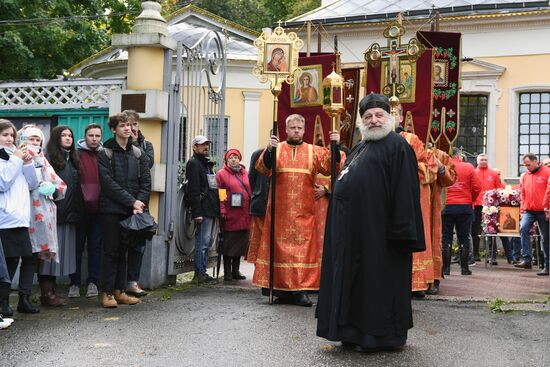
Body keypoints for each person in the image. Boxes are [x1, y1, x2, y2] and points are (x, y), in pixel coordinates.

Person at [316, 93, 425, 352]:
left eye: (379, 115)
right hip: (354, 234)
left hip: (381, 237)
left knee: (375, 285)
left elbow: (405, 192)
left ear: (390, 118)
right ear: (361, 122)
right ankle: (352, 332)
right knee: (355, 284)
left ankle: (379, 337)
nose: (374, 120)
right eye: (368, 116)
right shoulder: (360, 147)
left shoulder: (398, 147)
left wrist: (401, 232)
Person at [254, 113, 340, 307]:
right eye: (293, 128)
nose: (296, 131)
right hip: (280, 213)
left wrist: (334, 145)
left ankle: (300, 291)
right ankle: (280, 291)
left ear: (304, 130)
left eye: (299, 128)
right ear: (286, 129)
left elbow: (331, 167)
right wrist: (269, 149)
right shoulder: (277, 149)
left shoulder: (313, 151)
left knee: (303, 250)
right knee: (280, 251)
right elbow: (262, 168)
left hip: (304, 212)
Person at [98, 113, 151, 307]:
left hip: (132, 211)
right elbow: (107, 184)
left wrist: (140, 203)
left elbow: (146, 182)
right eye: (122, 126)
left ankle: (120, 291)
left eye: (129, 125)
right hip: (111, 210)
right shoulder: (104, 153)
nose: (127, 129)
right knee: (111, 252)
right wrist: (132, 202)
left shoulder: (138, 154)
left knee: (124, 252)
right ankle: (107, 293)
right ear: (113, 129)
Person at [18, 125, 67, 307]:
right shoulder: (16, 159)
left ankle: (27, 297)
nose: (34, 143)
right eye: (31, 139)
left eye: (37, 140)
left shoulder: (43, 161)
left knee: (34, 258)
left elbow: (60, 185)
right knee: (19, 256)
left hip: (43, 217)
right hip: (22, 214)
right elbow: (28, 184)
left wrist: (52, 188)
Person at [395, 105, 439, 298]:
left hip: (411, 194)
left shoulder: (411, 139)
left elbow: (428, 167)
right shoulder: (374, 139)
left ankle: (416, 283)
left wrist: (405, 169)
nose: (391, 116)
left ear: (401, 117)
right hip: (387, 195)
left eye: (394, 113)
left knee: (412, 232)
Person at [0, 119, 40, 316]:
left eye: (11, 135)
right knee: (7, 263)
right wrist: (16, 159)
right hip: (5, 219)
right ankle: (3, 303)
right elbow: (3, 182)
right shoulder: (6, 157)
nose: (9, 139)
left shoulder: (14, 155)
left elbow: (32, 184)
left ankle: (19, 300)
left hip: (21, 218)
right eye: (5, 135)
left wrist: (27, 163)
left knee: (24, 258)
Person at [41, 126, 84, 305]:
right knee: (48, 257)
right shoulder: (48, 158)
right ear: (56, 138)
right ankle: (47, 293)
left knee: (60, 256)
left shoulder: (74, 158)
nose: (68, 138)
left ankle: (52, 292)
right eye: (64, 135)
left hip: (69, 215)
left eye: (70, 135)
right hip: (53, 216)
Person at [69, 123, 103, 299]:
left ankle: (93, 282)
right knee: (77, 247)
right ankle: (74, 283)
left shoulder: (105, 154)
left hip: (100, 209)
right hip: (79, 208)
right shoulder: (75, 154)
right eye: (91, 135)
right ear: (85, 136)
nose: (94, 139)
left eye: (97, 136)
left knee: (95, 247)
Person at [124, 110, 154, 297]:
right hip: (121, 201)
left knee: (138, 245)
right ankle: (117, 283)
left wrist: (135, 144)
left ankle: (132, 281)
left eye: (134, 124)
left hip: (141, 201)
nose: (131, 128)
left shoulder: (146, 144)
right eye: (128, 125)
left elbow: (148, 164)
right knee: (118, 245)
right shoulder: (113, 146)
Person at [185, 135, 220, 284]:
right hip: (203, 209)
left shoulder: (206, 164)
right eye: (202, 145)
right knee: (202, 242)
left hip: (210, 208)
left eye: (207, 144)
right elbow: (193, 190)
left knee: (207, 242)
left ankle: (202, 272)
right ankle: (199, 274)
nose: (205, 147)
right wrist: (197, 212)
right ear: (194, 147)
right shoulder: (194, 163)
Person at [441, 147, 481, 275]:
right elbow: (477, 187)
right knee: (463, 237)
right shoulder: (468, 167)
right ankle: (464, 268)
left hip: (446, 206)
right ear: (459, 155)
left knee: (446, 237)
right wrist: (471, 199)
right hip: (464, 206)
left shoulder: (443, 166)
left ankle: (446, 269)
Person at [216, 149, 251, 281]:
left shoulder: (245, 173)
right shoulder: (221, 174)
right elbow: (221, 193)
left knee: (241, 243)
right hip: (230, 214)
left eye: (236, 157)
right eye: (231, 157)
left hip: (244, 213)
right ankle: (228, 272)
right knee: (229, 243)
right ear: (226, 160)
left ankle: (236, 270)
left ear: (240, 159)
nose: (233, 159)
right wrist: (223, 209)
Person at [514, 153, 550, 276]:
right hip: (529, 210)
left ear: (536, 161)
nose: (527, 168)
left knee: (545, 238)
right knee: (523, 228)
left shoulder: (547, 172)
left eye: (528, 165)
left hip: (543, 210)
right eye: (525, 165)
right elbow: (523, 193)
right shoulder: (525, 176)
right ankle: (527, 259)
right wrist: (523, 209)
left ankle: (547, 266)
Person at [427, 148, 456, 295]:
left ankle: (433, 278)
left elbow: (451, 178)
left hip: (430, 205)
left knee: (433, 239)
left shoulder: (439, 154)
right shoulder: (401, 147)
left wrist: (441, 168)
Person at [471, 154, 503, 262]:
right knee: (475, 230)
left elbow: (498, 188)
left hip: (491, 206)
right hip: (477, 205)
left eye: (485, 159)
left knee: (491, 230)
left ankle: (492, 256)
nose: (483, 161)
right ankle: (475, 254)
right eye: (481, 160)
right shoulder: (473, 173)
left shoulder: (493, 174)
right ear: (477, 161)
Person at [246, 148, 270, 265]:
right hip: (261, 202)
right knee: (259, 239)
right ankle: (259, 269)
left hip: (279, 206)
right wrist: (259, 192)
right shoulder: (258, 154)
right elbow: (251, 179)